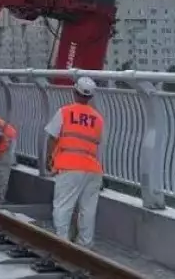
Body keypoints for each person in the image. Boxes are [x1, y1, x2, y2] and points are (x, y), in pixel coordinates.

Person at [44, 76, 104, 247]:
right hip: (92, 168)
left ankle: (62, 243)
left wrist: (50, 158)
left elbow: (52, 137)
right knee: (88, 210)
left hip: (69, 166)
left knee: (63, 206)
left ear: (74, 92)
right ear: (90, 97)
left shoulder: (65, 112)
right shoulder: (98, 118)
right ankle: (85, 245)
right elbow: (97, 142)